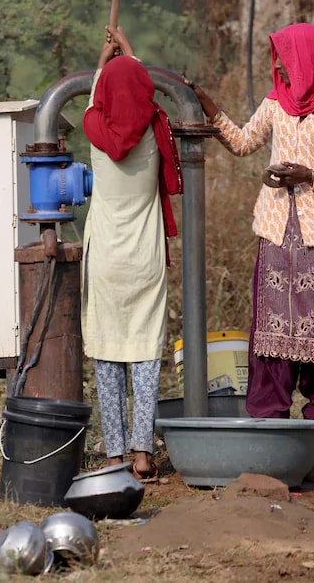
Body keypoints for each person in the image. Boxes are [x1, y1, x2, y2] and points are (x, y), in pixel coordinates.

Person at [185, 22, 314, 472]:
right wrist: (212, 110)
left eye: (287, 62)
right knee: (270, 339)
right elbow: (243, 143)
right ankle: (270, 430)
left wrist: (311, 178)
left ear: (308, 60)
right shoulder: (277, 104)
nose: (281, 70)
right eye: (278, 62)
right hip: (276, 235)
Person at [80, 25, 182, 481]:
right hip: (144, 261)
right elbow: (141, 96)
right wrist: (132, 52)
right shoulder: (155, 133)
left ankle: (113, 456)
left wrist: (106, 59)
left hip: (105, 259)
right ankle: (143, 454)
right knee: (144, 355)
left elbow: (95, 100)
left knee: (106, 355)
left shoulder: (94, 132)